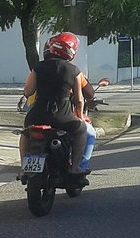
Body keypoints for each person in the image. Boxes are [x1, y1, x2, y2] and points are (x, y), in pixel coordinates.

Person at [18, 33, 89, 175]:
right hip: (64, 118)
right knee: (81, 130)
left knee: (26, 134)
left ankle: (24, 169)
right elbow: (79, 99)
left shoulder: (39, 67)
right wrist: (80, 116)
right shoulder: (73, 70)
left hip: (37, 116)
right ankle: (74, 167)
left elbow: (28, 90)